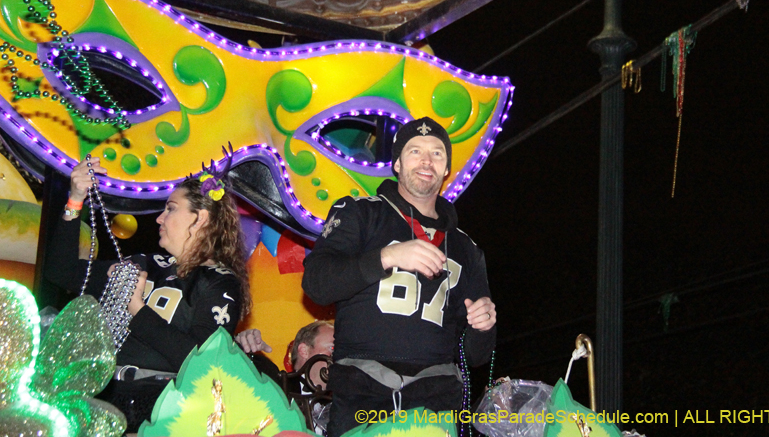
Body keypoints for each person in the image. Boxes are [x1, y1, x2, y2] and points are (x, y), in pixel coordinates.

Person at [302, 117, 497, 436]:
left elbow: (477, 355)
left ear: (447, 169)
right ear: (396, 164)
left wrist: (485, 323)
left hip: (434, 409)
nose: (426, 161)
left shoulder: (466, 248)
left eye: (437, 153)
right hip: (363, 399)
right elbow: (316, 284)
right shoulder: (360, 213)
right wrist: (387, 257)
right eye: (415, 151)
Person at [44, 155, 251, 433]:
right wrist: (75, 199)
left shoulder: (219, 282)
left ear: (200, 218)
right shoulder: (144, 263)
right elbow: (61, 271)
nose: (159, 218)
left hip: (162, 409)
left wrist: (137, 310)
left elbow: (201, 361)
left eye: (171, 209)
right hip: (103, 398)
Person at [236, 320, 335, 378]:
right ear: (304, 351)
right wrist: (239, 347)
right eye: (332, 348)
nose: (341, 356)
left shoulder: (346, 402)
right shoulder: (275, 387)